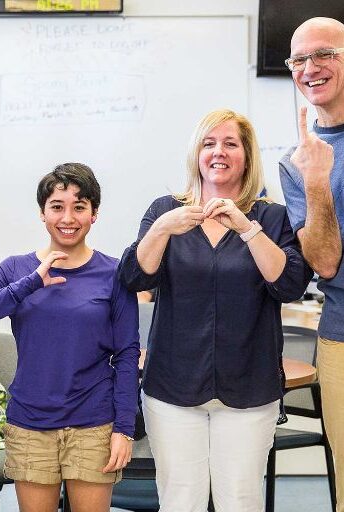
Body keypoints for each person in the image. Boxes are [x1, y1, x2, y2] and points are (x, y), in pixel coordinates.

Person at [119, 109, 311, 512]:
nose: (218, 152)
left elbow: (290, 285)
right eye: (209, 143)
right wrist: (161, 230)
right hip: (173, 387)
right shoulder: (165, 210)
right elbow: (135, 278)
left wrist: (248, 229)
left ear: (246, 155)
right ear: (196, 153)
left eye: (230, 143)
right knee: (180, 500)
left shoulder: (271, 217)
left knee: (239, 501)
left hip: (249, 387)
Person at [0, 163, 140, 512]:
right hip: (30, 423)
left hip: (93, 423)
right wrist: (31, 282)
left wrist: (124, 428)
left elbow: (127, 353)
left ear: (94, 214)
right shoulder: (16, 269)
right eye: (57, 207)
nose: (68, 217)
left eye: (80, 207)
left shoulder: (114, 273)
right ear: (43, 213)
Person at [280, 17, 344, 512]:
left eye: (324, 53)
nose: (309, 68)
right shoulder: (296, 161)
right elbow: (323, 261)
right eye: (299, 59)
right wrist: (317, 179)